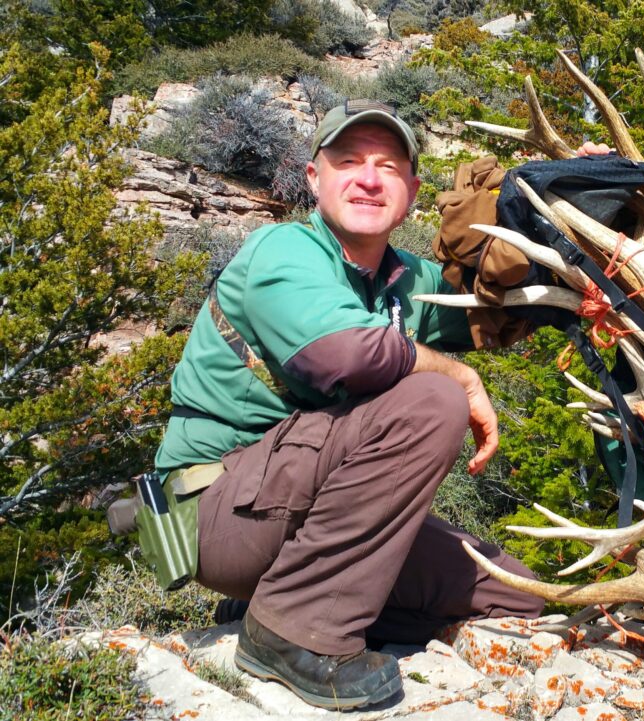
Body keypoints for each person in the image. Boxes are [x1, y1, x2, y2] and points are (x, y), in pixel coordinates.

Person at [154, 99, 544, 710]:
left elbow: (498, 309)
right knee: (432, 398)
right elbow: (342, 355)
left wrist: (555, 197)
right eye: (348, 161)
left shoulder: (406, 278)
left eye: (388, 167)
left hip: (301, 516)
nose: (368, 178)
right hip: (213, 512)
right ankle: (289, 630)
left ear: (412, 189)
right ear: (315, 178)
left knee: (516, 590)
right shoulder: (280, 250)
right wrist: (461, 376)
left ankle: (279, 595)